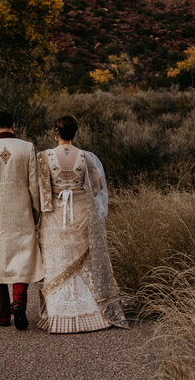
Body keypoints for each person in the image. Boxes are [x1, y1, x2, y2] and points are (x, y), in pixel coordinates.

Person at [36, 114, 128, 333]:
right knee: (82, 263)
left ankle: (59, 315)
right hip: (80, 212)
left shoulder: (44, 157)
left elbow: (38, 189)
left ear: (54, 132)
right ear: (75, 132)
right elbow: (98, 188)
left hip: (55, 215)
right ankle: (91, 315)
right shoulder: (87, 157)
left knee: (57, 259)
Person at [0, 110, 43, 329]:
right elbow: (34, 185)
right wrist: (36, 212)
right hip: (21, 213)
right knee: (21, 261)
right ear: (14, 125)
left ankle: (4, 314)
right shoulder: (27, 148)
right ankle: (18, 306)